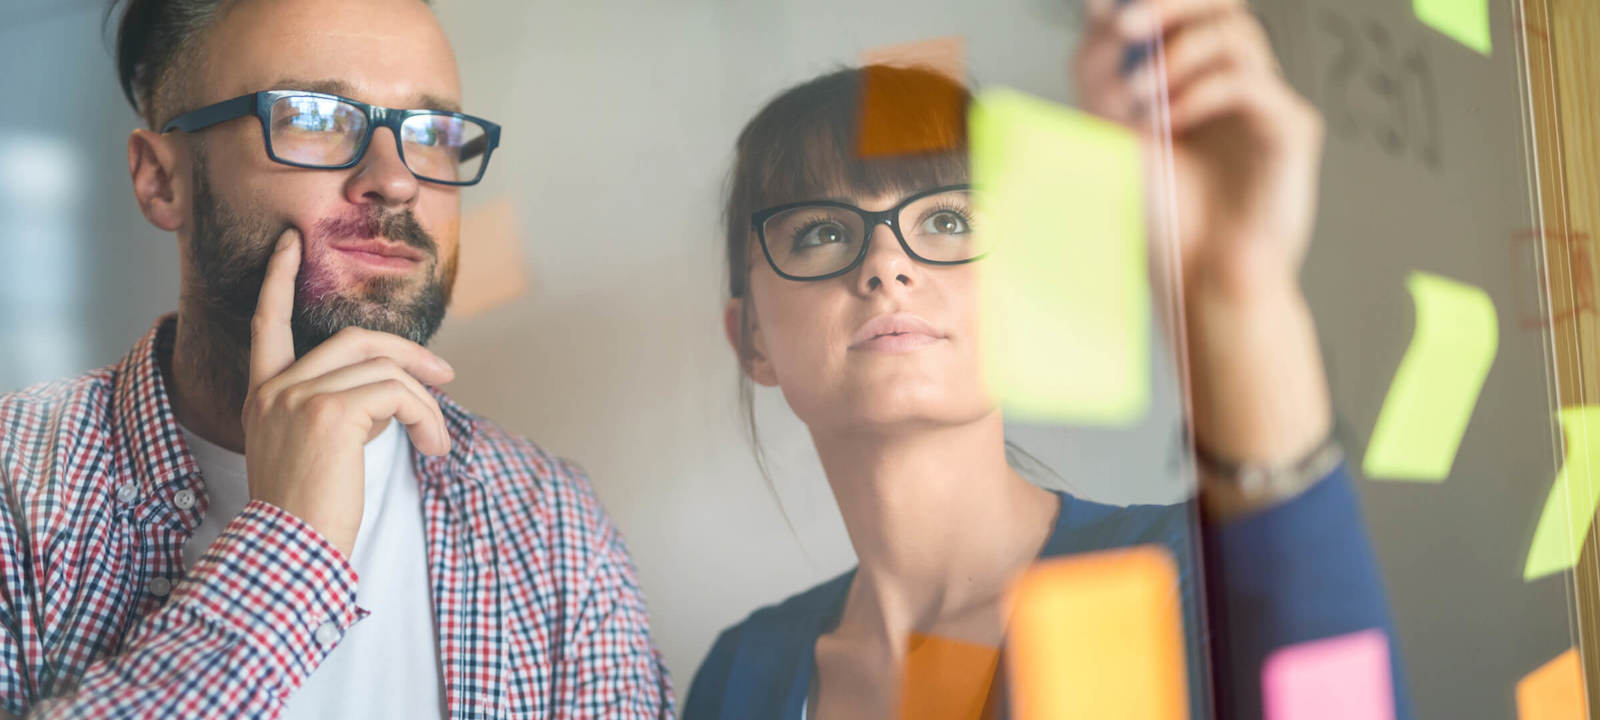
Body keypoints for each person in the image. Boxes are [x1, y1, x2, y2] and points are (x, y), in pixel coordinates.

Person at [684, 0, 1410, 718]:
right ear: (751, 339)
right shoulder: (738, 676)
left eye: (947, 219)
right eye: (818, 233)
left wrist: (1242, 295)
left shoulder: (1180, 584)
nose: (887, 263)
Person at [0, 0, 671, 717]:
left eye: (435, 133)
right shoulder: (16, 489)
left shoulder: (552, 523)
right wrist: (289, 551)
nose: (397, 179)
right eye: (316, 118)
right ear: (162, 180)